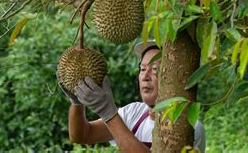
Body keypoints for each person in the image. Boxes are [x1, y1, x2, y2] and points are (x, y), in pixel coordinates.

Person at [58, 40, 206, 152]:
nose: (145, 77)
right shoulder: (134, 113)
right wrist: (76, 102)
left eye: (155, 69)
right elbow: (83, 135)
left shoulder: (189, 126)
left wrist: (108, 113)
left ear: (173, 77)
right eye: (142, 69)